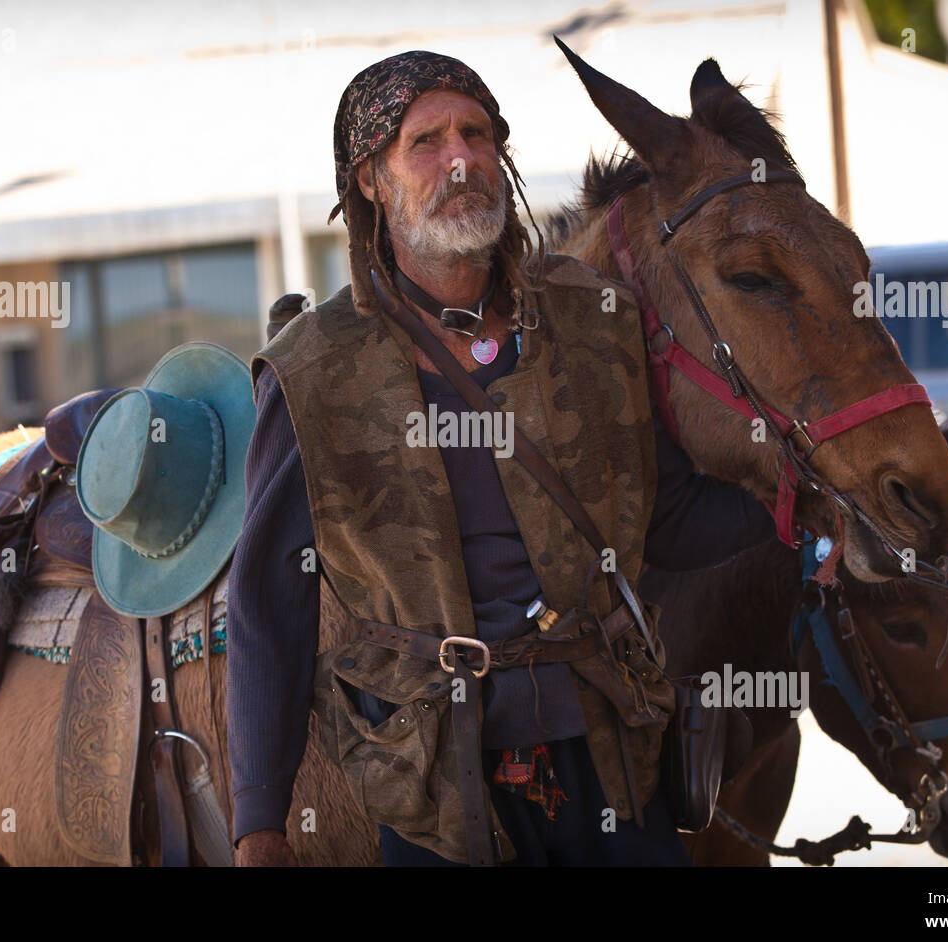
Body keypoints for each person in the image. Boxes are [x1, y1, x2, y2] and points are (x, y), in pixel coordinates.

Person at [227, 50, 775, 867]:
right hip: (430, 778)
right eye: (426, 142)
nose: (461, 159)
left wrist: (797, 505)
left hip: (608, 746)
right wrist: (259, 823)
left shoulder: (597, 320)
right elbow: (270, 606)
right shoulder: (312, 371)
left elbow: (665, 518)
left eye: (477, 134)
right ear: (371, 181)